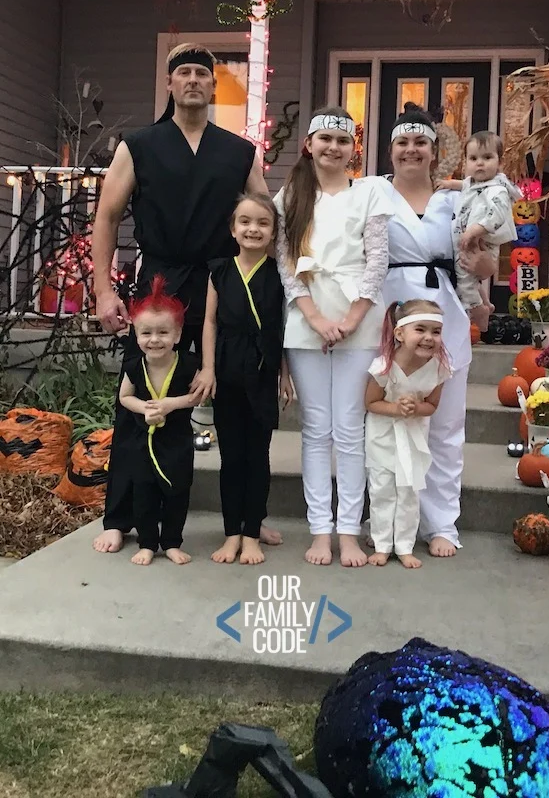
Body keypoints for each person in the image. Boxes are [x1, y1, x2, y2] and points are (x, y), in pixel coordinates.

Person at [90, 42, 281, 553]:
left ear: (214, 86)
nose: (193, 80)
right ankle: (122, 516)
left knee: (240, 402)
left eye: (202, 73)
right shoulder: (140, 144)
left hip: (225, 283)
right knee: (140, 400)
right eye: (184, 73)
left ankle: (247, 517)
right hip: (159, 284)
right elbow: (107, 216)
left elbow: (263, 215)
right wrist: (103, 288)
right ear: (170, 85)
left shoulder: (240, 151)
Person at [367, 104, 496, 558]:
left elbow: (487, 261)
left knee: (443, 424)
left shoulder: (458, 201)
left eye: (420, 142)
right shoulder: (371, 193)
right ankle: (385, 520)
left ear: (434, 152)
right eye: (402, 142)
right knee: (384, 423)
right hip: (387, 317)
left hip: (444, 315)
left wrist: (482, 276)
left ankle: (442, 523)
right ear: (390, 151)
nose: (411, 150)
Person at [274, 106, 391, 568]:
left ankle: (349, 531)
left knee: (349, 429)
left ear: (352, 149)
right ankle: (319, 529)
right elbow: (285, 264)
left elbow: (377, 260)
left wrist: (352, 316)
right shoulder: (291, 197)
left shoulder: (369, 195)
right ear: (310, 144)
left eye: (342, 141)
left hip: (357, 319)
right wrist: (315, 317)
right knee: (316, 429)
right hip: (307, 319)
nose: (333, 147)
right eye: (325, 138)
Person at [200, 193, 294, 566]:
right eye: (245, 222)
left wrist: (286, 374)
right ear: (233, 229)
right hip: (226, 367)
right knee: (232, 457)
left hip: (262, 367)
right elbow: (209, 322)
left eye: (263, 223)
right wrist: (208, 369)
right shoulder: (219, 270)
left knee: (258, 456)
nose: (253, 229)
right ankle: (232, 533)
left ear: (273, 231)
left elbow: (283, 328)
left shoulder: (279, 274)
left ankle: (252, 532)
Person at [106, 277, 201, 566]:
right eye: (146, 333)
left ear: (178, 333)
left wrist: (172, 404)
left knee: (177, 492)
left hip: (177, 441)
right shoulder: (135, 366)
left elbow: (197, 397)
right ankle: (148, 543)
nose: (155, 339)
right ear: (136, 334)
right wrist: (143, 410)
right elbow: (125, 397)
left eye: (163, 332)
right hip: (143, 444)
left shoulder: (188, 364)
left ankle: (172, 541)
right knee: (144, 494)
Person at [364, 300, 452, 570]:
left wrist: (417, 408)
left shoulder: (438, 369)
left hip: (414, 438)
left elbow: (432, 405)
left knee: (409, 491)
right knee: (382, 490)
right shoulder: (383, 367)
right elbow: (371, 403)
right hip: (383, 437)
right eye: (421, 330)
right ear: (400, 333)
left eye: (435, 332)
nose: (429, 338)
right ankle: (381, 544)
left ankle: (404, 545)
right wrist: (395, 408)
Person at [437, 131, 521, 332]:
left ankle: (478, 311)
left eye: (487, 158)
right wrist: (449, 184)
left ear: (500, 163)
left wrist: (476, 229)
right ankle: (486, 301)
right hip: (468, 240)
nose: (480, 163)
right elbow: (463, 185)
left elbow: (497, 214)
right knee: (470, 277)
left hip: (481, 240)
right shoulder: (473, 183)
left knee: (464, 278)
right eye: (473, 158)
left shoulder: (497, 190)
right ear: (466, 163)